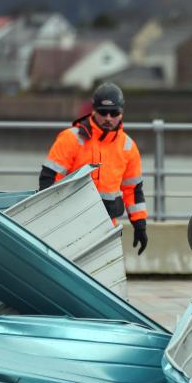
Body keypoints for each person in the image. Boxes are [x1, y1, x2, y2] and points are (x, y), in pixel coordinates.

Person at [40, 82, 148, 255]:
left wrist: (140, 225)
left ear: (122, 113)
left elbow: (133, 190)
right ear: (93, 111)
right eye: (103, 112)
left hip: (107, 224)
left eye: (114, 113)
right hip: (72, 222)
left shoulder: (128, 146)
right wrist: (52, 217)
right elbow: (49, 180)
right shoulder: (71, 139)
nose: (108, 118)